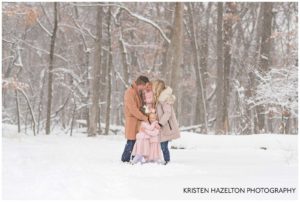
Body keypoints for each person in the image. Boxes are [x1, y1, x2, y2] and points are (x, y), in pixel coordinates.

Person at [121, 76, 149, 162]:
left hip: (138, 120)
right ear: (141, 84)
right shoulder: (129, 92)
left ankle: (134, 158)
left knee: (137, 141)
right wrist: (143, 117)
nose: (145, 88)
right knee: (131, 140)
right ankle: (125, 159)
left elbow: (141, 106)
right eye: (145, 86)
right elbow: (133, 109)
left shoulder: (138, 92)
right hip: (132, 120)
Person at [152, 80, 180, 165]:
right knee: (162, 144)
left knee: (163, 145)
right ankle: (162, 160)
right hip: (162, 125)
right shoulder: (159, 98)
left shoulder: (165, 99)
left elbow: (167, 113)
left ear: (158, 88)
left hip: (166, 125)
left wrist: (160, 123)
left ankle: (167, 161)